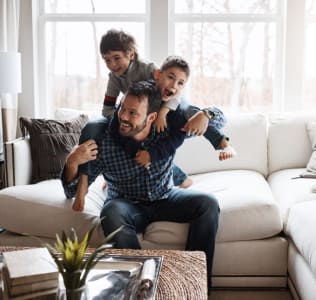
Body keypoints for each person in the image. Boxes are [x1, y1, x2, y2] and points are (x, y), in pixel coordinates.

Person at [61, 80, 220, 291]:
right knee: (111, 211)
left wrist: (206, 114)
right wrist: (72, 161)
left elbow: (218, 123)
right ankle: (141, 289)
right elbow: (71, 191)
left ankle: (195, 285)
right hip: (127, 204)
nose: (124, 117)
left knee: (208, 203)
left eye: (133, 113)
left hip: (166, 197)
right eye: (122, 109)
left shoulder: (167, 129)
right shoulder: (105, 141)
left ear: (152, 117)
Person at [73, 29, 235, 211]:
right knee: (93, 127)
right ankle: (84, 183)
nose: (112, 64)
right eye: (107, 60)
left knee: (189, 113)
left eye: (116, 58)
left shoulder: (147, 68)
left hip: (166, 107)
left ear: (131, 54)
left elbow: (170, 91)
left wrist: (164, 113)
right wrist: (122, 118)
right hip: (136, 118)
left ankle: (222, 143)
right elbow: (107, 108)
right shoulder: (114, 78)